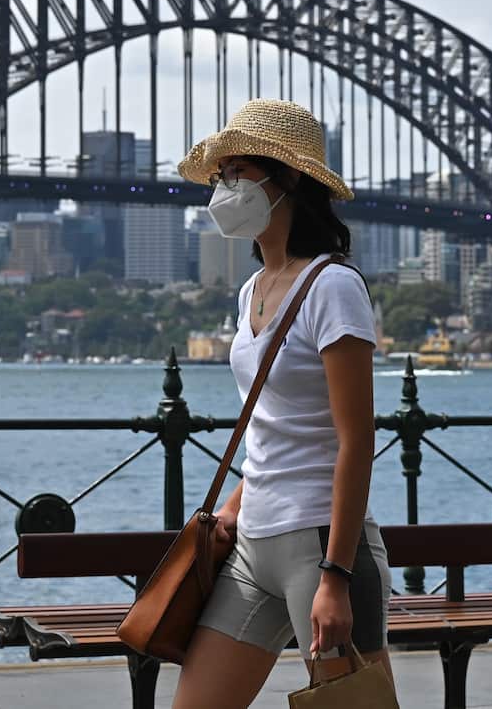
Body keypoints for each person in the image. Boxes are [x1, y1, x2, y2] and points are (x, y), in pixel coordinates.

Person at [172, 99, 393, 708]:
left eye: (238, 171)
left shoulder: (333, 287)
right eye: (220, 175)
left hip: (321, 547)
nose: (223, 186)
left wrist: (336, 577)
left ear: (287, 178)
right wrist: (234, 508)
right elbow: (270, 424)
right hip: (253, 545)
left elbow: (356, 440)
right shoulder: (250, 290)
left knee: (354, 708)